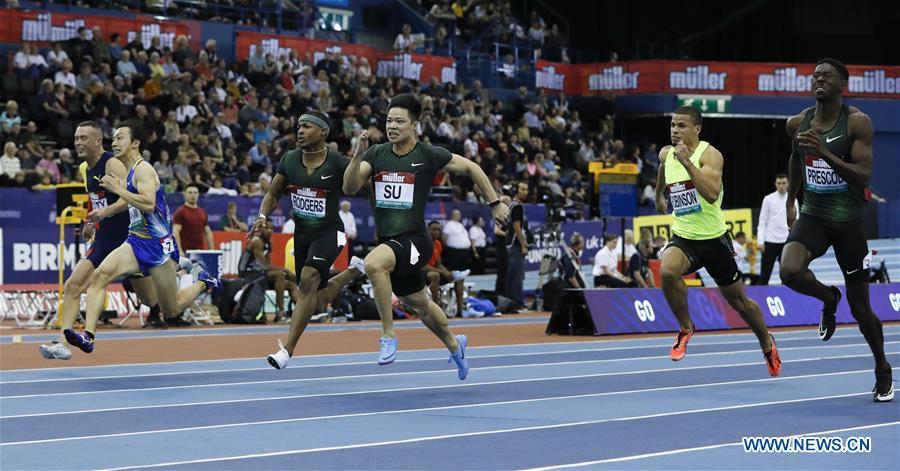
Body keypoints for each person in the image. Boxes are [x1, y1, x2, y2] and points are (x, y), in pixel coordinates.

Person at [343, 93, 509, 379]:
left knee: (372, 264)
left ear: (415, 125)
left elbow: (472, 167)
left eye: (399, 121)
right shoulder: (377, 154)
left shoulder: (428, 154)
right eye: (388, 121)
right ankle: (455, 344)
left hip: (416, 239)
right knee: (420, 305)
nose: (392, 126)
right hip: (390, 241)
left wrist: (494, 203)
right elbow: (349, 186)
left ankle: (388, 334)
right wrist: (357, 155)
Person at [780, 58, 892, 402]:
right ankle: (829, 298)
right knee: (789, 271)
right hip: (813, 215)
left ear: (842, 85)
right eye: (815, 76)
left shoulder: (858, 123)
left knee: (861, 309)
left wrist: (825, 152)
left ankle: (882, 368)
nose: (818, 80)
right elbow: (796, 159)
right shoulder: (797, 123)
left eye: (826, 76)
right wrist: (790, 201)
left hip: (847, 224)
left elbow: (863, 176)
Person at [63, 121, 221, 354]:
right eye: (114, 139)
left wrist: (118, 191)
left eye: (120, 138)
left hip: (158, 246)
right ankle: (88, 336)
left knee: (171, 309)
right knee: (99, 276)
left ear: (135, 143)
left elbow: (148, 204)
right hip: (135, 241)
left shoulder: (143, 169)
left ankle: (203, 282)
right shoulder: (126, 174)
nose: (114, 142)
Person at [654, 106, 780, 376]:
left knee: (739, 302)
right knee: (666, 271)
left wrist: (688, 163)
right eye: (673, 125)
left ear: (697, 129)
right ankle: (686, 328)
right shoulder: (667, 152)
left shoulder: (710, 155)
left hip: (714, 241)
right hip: (684, 236)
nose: (675, 130)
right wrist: (658, 195)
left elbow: (711, 194)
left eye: (682, 126)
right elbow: (663, 166)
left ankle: (766, 342)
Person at [39, 122, 168, 359]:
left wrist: (106, 212)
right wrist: (91, 222)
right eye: (76, 138)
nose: (78, 142)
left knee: (151, 299)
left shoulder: (112, 164)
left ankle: (178, 271)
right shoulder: (85, 167)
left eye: (84, 138)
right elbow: (95, 198)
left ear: (98, 141)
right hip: (105, 239)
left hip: (129, 242)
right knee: (73, 286)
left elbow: (131, 198)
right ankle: (62, 343)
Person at [253, 110, 366, 370]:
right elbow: (272, 193)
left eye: (306, 126)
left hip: (330, 231)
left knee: (307, 280)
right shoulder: (290, 159)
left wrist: (358, 155)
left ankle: (287, 351)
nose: (300, 131)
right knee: (317, 296)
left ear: (323, 131)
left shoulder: (337, 161)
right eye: (298, 126)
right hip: (303, 233)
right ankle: (350, 273)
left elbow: (350, 189)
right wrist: (261, 215)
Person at [239, 217, 298, 321]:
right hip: (248, 273)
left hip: (260, 274)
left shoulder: (269, 242)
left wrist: (285, 274)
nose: (270, 231)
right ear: (260, 229)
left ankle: (302, 312)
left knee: (290, 285)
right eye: (267, 228)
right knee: (280, 274)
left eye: (272, 228)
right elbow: (264, 266)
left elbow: (268, 264)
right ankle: (281, 312)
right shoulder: (256, 241)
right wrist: (286, 271)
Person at [756, 173, 797, 285]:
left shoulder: (793, 200)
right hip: (770, 242)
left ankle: (787, 299)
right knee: (764, 276)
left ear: (788, 184)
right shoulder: (768, 199)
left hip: (786, 242)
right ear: (775, 184)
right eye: (779, 183)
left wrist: (796, 241)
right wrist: (760, 241)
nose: (781, 186)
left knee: (787, 276)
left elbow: (796, 222)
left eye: (784, 183)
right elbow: (762, 221)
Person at [424, 220, 472, 316]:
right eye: (433, 230)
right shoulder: (422, 244)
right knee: (435, 275)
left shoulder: (438, 244)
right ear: (427, 230)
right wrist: (443, 272)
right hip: (422, 274)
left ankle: (459, 311)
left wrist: (449, 273)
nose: (436, 232)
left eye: (438, 230)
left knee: (459, 278)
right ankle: (436, 310)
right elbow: (424, 266)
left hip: (435, 272)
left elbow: (439, 264)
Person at [442, 209, 473, 315]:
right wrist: (450, 250)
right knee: (457, 279)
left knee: (462, 279)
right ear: (452, 215)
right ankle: (454, 307)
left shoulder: (460, 225)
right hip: (454, 253)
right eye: (456, 214)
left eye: (459, 214)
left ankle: (460, 308)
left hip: (464, 253)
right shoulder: (449, 225)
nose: (458, 216)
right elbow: (444, 239)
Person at [506, 181, 529, 310]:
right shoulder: (517, 206)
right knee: (517, 275)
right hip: (516, 245)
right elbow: (516, 227)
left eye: (526, 189)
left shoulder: (513, 205)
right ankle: (517, 302)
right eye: (522, 189)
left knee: (513, 274)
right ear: (516, 190)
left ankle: (512, 301)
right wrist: (523, 245)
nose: (525, 192)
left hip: (512, 244)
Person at [173, 184, 214, 256]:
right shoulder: (180, 212)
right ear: (185, 194)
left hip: (200, 252)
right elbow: (175, 232)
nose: (193, 195)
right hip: (185, 252)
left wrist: (211, 249)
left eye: (195, 193)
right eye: (190, 193)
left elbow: (207, 232)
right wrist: (179, 250)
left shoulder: (202, 212)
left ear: (198, 195)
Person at [493, 196, 511, 294]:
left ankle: (504, 293)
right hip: (501, 249)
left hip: (506, 248)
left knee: (506, 273)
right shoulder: (500, 215)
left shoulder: (508, 216)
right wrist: (508, 234)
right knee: (502, 273)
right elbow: (496, 231)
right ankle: (499, 294)